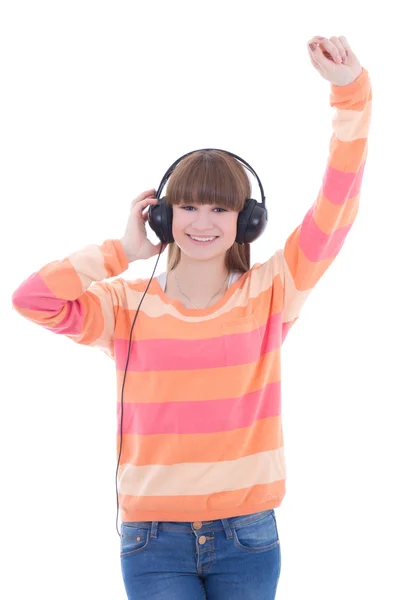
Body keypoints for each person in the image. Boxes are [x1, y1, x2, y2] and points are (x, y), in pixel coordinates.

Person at [11, 34, 372, 600]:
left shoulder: (273, 291)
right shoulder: (124, 303)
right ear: (162, 215)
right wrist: (121, 253)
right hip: (152, 540)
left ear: (245, 221)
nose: (203, 221)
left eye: (221, 207)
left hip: (248, 533)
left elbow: (337, 206)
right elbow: (32, 300)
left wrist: (351, 94)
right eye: (188, 206)